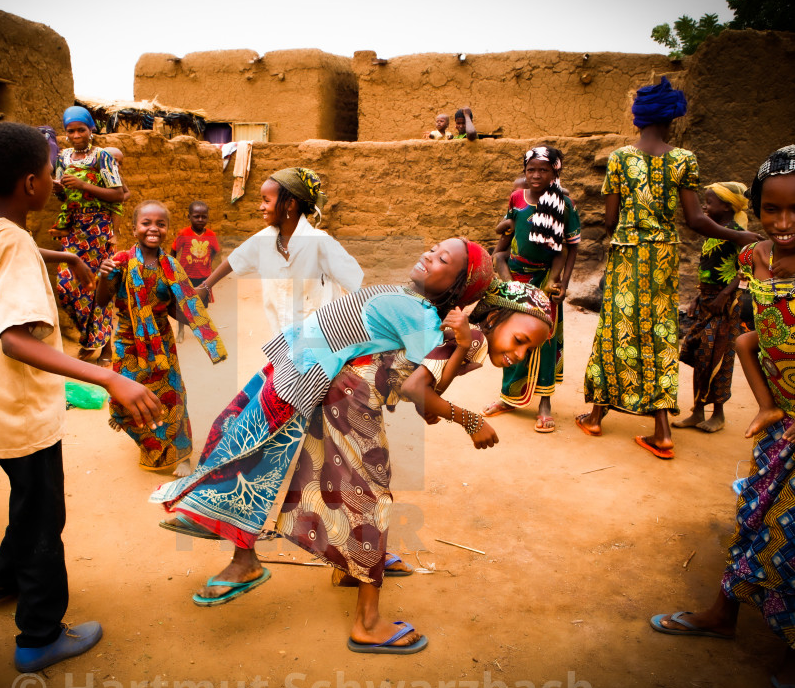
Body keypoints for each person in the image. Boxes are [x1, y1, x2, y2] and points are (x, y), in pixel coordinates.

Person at [152, 239, 553, 654]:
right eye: (522, 339)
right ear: (499, 313)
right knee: (359, 493)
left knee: (291, 468)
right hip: (339, 394)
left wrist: (432, 398)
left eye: (528, 349)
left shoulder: (433, 314)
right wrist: (468, 419)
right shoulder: (451, 328)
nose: (520, 354)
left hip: (325, 382)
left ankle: (292, 563)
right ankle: (366, 622)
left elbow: (416, 381)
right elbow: (421, 388)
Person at [650, 142, 795, 688]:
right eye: (772, 208)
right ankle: (724, 614)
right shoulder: (753, 261)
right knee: (754, 514)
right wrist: (769, 406)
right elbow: (748, 335)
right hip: (780, 419)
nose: (783, 222)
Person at [0, 122, 161, 673]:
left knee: (27, 501)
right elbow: (15, 338)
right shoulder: (15, 243)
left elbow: (11, 253)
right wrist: (108, 379)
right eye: (51, 173)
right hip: (22, 413)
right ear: (31, 182)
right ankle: (39, 635)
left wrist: (61, 257)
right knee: (45, 515)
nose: (55, 180)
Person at [576, 77, 760, 459]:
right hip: (663, 256)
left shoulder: (619, 159)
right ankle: (661, 431)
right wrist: (743, 237)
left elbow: (609, 221)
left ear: (639, 118)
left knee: (616, 329)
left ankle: (595, 417)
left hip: (628, 254)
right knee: (658, 332)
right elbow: (696, 220)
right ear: (671, 119)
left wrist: (626, 221)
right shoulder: (684, 160)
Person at [97, 201, 226, 477]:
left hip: (162, 343)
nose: (153, 228)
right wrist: (103, 277)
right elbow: (101, 300)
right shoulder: (120, 262)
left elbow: (173, 311)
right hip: (127, 341)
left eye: (160, 224)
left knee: (173, 397)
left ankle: (181, 455)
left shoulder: (171, 267)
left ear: (167, 229)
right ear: (135, 229)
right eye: (146, 223)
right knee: (124, 397)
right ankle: (148, 443)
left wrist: (194, 307)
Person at [194, 167, 364, 335]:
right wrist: (205, 287)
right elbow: (235, 259)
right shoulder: (264, 240)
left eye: (266, 201)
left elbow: (354, 283)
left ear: (289, 204)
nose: (261, 207)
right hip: (281, 340)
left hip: (319, 340)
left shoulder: (319, 243)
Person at [485, 146, 580, 432]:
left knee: (545, 340)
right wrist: (503, 277)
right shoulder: (517, 198)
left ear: (555, 172)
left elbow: (570, 247)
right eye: (531, 170)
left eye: (543, 170)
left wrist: (562, 281)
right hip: (514, 277)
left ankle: (544, 404)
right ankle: (509, 397)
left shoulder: (565, 204)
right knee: (509, 338)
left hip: (545, 280)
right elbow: (507, 234)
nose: (536, 175)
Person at [50, 105, 130, 365]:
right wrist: (57, 189)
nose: (75, 135)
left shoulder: (102, 157)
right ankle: (90, 338)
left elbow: (118, 194)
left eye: (80, 130)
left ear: (90, 130)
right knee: (67, 287)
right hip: (74, 228)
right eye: (70, 131)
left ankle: (105, 347)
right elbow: (63, 195)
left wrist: (85, 185)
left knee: (98, 288)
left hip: (97, 229)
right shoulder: (63, 158)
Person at [673, 182, 750, 433]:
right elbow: (707, 269)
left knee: (718, 355)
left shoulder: (738, 233)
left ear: (727, 206)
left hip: (725, 304)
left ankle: (718, 414)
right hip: (708, 301)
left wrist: (724, 295)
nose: (705, 207)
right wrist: (698, 296)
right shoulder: (715, 232)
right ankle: (697, 411)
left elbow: (747, 269)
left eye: (710, 202)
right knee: (700, 354)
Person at [170, 200, 220, 343]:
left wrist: (208, 264)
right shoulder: (184, 233)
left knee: (200, 306)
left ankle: (201, 330)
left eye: (203, 217)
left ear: (207, 218)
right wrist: (171, 269)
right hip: (185, 276)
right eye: (196, 216)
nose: (200, 219)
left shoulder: (211, 235)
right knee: (182, 305)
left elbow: (215, 251)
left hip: (203, 277)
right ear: (189, 217)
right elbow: (173, 250)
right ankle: (180, 331)